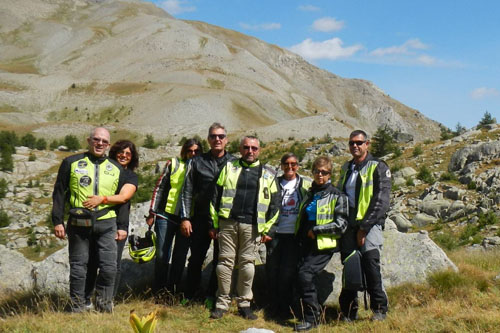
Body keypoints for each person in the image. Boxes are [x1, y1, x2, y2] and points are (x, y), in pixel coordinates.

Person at [52, 127, 129, 313]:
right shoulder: (71, 162)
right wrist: (57, 221)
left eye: (104, 141)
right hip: (79, 223)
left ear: (108, 145)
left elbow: (123, 201)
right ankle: (77, 306)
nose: (100, 143)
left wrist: (122, 226)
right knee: (79, 268)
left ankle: (103, 307)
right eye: (96, 139)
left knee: (109, 267)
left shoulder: (116, 168)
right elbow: (59, 192)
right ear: (89, 140)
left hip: (107, 222)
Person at [209, 136, 280, 320]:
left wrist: (268, 230)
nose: (250, 151)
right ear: (240, 149)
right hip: (228, 223)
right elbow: (215, 197)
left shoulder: (269, 174)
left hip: (253, 226)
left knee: (248, 265)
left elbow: (275, 206)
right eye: (246, 147)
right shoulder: (229, 168)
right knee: (225, 263)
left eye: (254, 148)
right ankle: (222, 303)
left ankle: (244, 304)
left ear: (259, 150)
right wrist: (213, 224)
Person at [179, 123, 235, 306]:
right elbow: (186, 191)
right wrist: (185, 218)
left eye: (220, 136)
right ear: (208, 139)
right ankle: (190, 294)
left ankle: (213, 295)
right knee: (196, 258)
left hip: (225, 220)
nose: (217, 139)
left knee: (221, 260)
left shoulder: (234, 163)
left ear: (226, 139)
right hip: (201, 219)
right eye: (213, 136)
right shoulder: (195, 162)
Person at [338, 130, 391, 322]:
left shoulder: (378, 166)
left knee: (371, 264)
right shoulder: (346, 168)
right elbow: (340, 195)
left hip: (370, 225)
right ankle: (349, 312)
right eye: (352, 143)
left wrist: (364, 227)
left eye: (359, 143)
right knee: (350, 266)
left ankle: (379, 309)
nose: (355, 146)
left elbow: (381, 201)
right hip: (348, 225)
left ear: (367, 144)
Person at [294, 156, 348, 331]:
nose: (320, 175)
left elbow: (342, 225)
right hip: (304, 242)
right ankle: (301, 312)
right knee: (299, 275)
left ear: (330, 174)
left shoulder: (337, 196)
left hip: (323, 245)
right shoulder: (310, 193)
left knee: (305, 274)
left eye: (324, 172)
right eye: (317, 171)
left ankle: (312, 317)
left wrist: (317, 230)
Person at [83, 140, 139, 307]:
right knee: (92, 261)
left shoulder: (130, 176)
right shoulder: (103, 171)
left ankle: (108, 300)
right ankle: (86, 299)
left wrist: (102, 199)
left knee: (113, 264)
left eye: (128, 154)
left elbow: (124, 197)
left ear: (132, 157)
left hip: (118, 224)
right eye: (121, 152)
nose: (124, 156)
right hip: (96, 221)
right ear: (114, 152)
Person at [145, 138, 202, 295]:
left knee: (180, 256)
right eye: (190, 150)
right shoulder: (173, 164)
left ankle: (173, 291)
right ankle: (159, 290)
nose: (193, 154)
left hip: (188, 219)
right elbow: (160, 187)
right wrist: (152, 212)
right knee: (162, 255)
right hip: (166, 215)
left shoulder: (202, 167)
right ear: (184, 151)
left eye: (196, 151)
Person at [265, 153, 311, 319]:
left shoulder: (305, 184)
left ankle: (285, 308)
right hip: (275, 234)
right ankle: (272, 306)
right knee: (272, 270)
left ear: (298, 165)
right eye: (286, 163)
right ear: (281, 165)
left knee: (287, 272)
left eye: (293, 164)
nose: (290, 167)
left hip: (294, 235)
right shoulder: (273, 183)